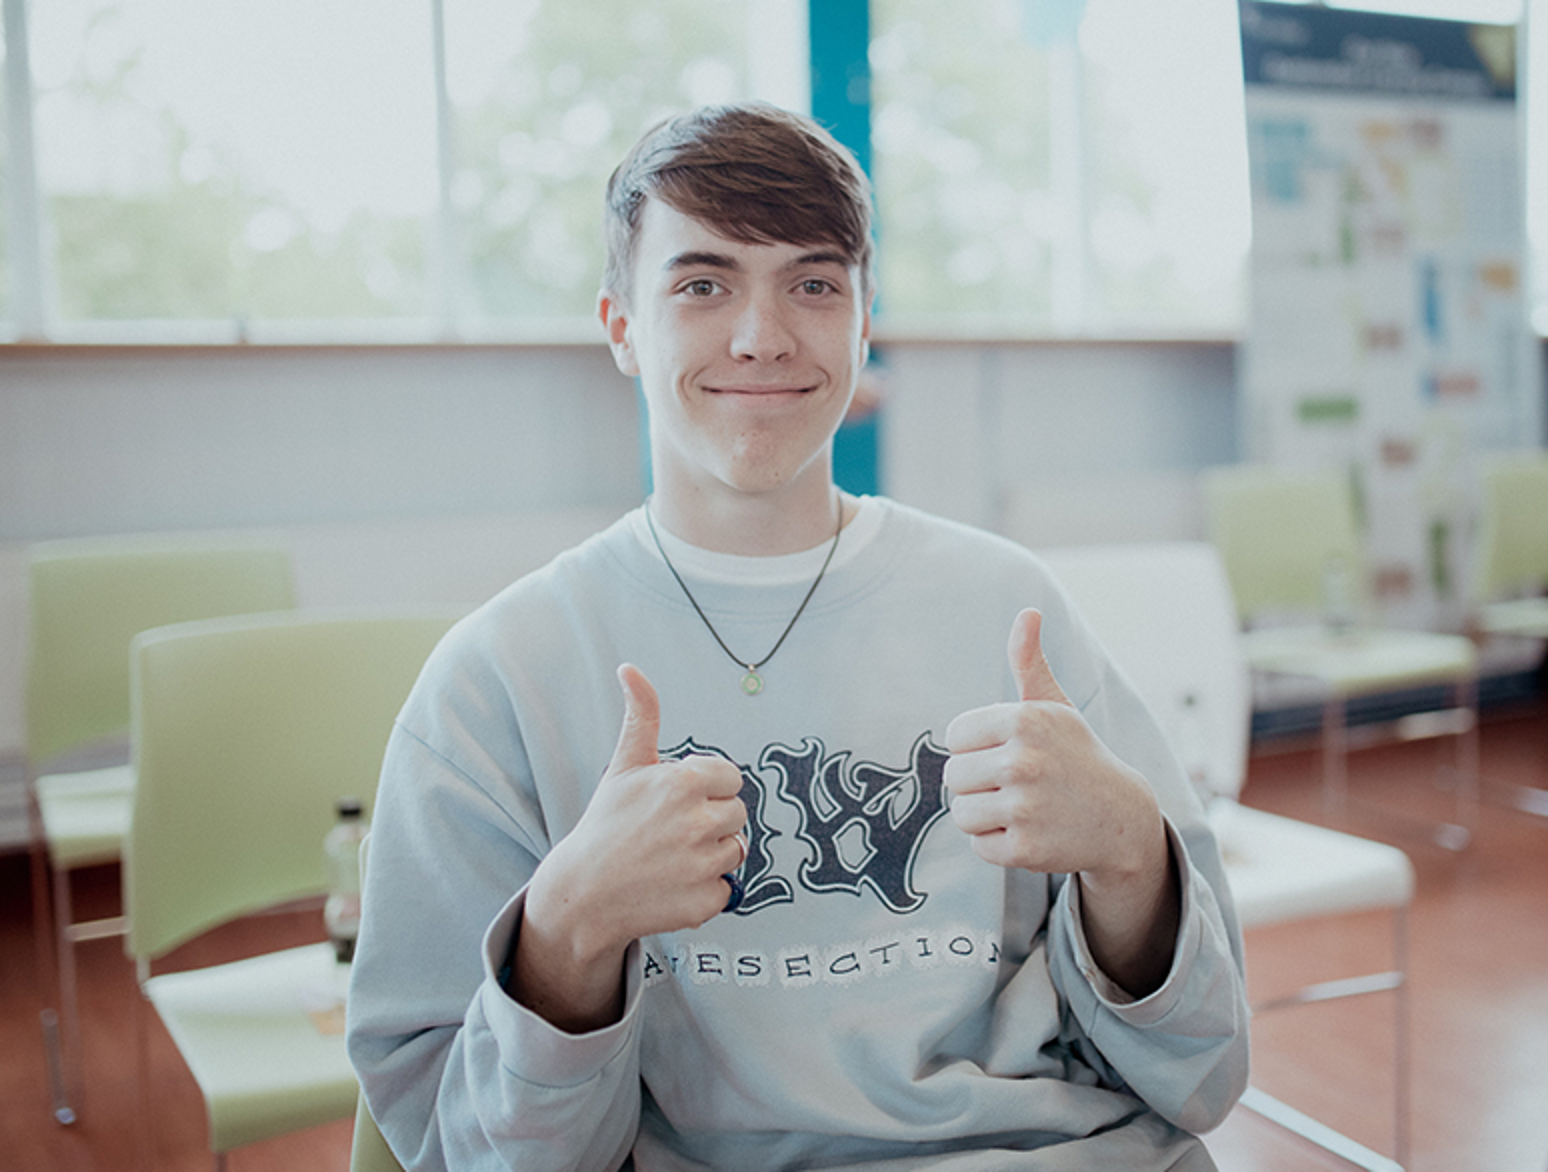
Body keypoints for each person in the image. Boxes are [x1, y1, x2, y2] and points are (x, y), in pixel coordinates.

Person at [347, 101, 1249, 1171]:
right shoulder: (497, 678)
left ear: (863, 319)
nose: (761, 334)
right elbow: (464, 1154)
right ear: (621, 326)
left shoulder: (1007, 609)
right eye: (700, 283)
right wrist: (565, 932)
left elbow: (1200, 1073)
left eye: (813, 282)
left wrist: (1130, 858)